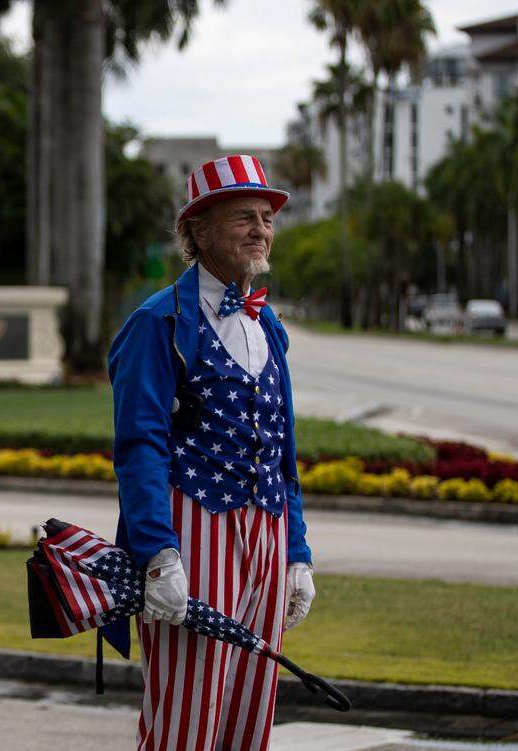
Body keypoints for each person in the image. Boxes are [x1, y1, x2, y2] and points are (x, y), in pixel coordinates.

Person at [105, 154, 315, 751]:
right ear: (198, 231)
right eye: (243, 217)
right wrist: (156, 554)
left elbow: (283, 455)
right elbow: (139, 446)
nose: (260, 229)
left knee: (250, 723)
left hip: (267, 537)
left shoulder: (268, 325)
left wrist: (296, 551)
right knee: (187, 725)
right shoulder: (159, 321)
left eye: (266, 218)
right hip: (191, 537)